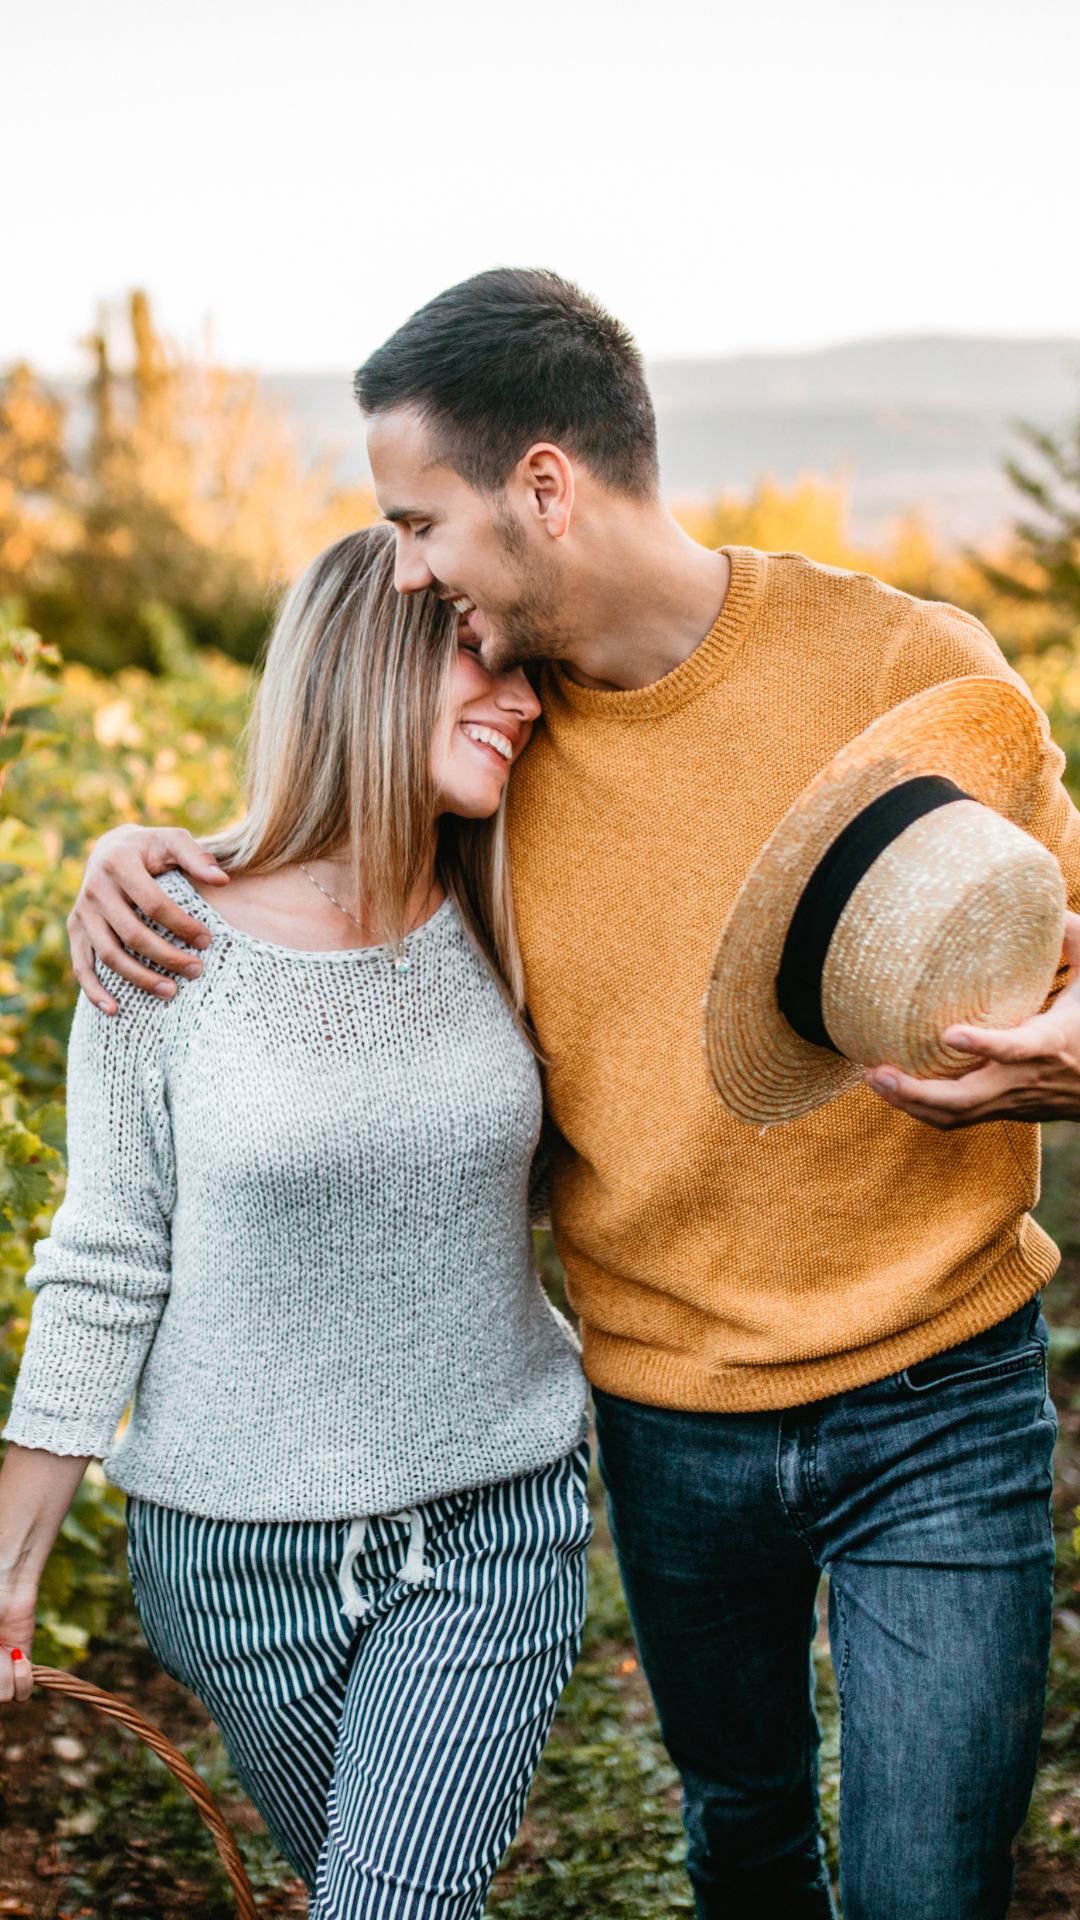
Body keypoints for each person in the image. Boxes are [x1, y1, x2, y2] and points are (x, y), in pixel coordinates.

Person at [54, 270, 1080, 1920]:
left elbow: (1063, 944)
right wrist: (134, 857)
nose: (406, 568)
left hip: (938, 1385)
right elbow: (324, 878)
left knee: (928, 1883)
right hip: (669, 1408)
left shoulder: (908, 664)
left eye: (420, 521)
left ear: (545, 486)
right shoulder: (496, 758)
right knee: (742, 1825)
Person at [0, 523, 591, 1920]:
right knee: (369, 1890)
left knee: (391, 1901)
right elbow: (107, 1253)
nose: (523, 697)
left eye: (532, 670)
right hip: (229, 1559)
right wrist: (13, 1559)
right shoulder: (164, 933)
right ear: (364, 659)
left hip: (490, 1520)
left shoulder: (516, 903)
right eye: (481, 657)